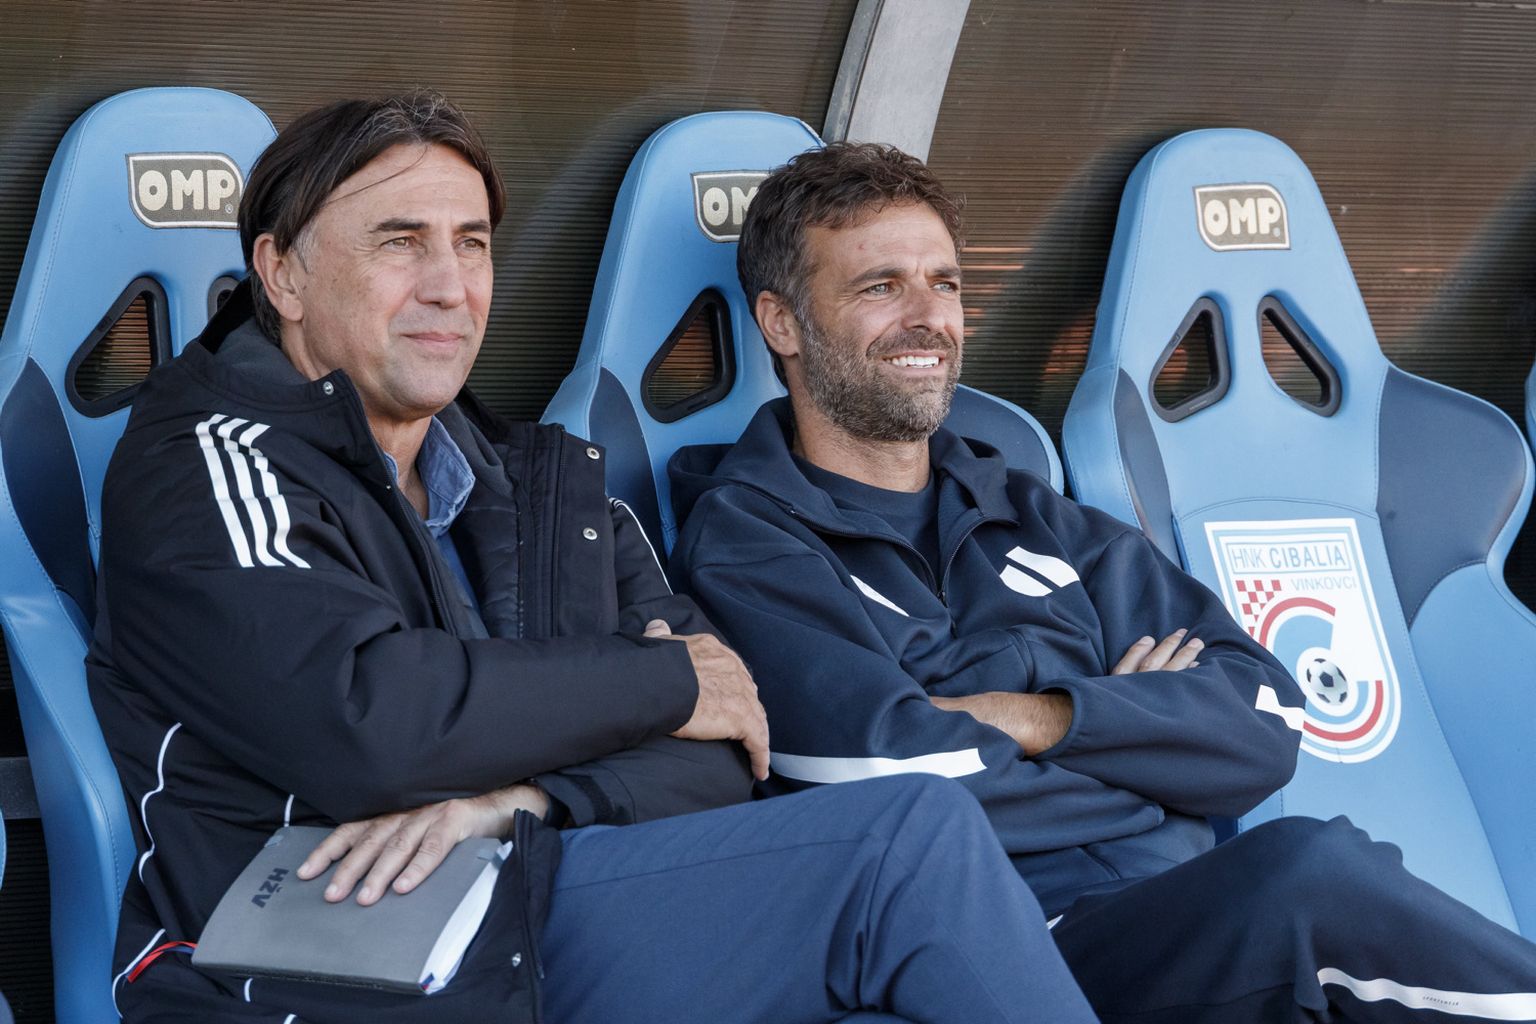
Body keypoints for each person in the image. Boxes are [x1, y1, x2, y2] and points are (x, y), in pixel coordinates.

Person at [86, 94, 1101, 1024]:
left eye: (472, 245)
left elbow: (728, 753)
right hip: (317, 954)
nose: (449, 287)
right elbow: (369, 718)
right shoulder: (210, 466)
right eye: (400, 242)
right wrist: (660, 683)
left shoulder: (541, 487)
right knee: (907, 845)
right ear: (283, 274)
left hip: (545, 903)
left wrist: (518, 805)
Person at [667, 141, 1536, 1023]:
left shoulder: (1029, 512)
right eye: (881, 287)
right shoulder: (748, 539)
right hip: (1004, 953)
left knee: (1326, 886)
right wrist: (1146, 742)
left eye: (946, 284)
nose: (929, 318)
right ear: (782, 324)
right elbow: (886, 772)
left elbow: (1267, 720)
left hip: (1182, 922)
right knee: (1312, 879)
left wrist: (1039, 717)